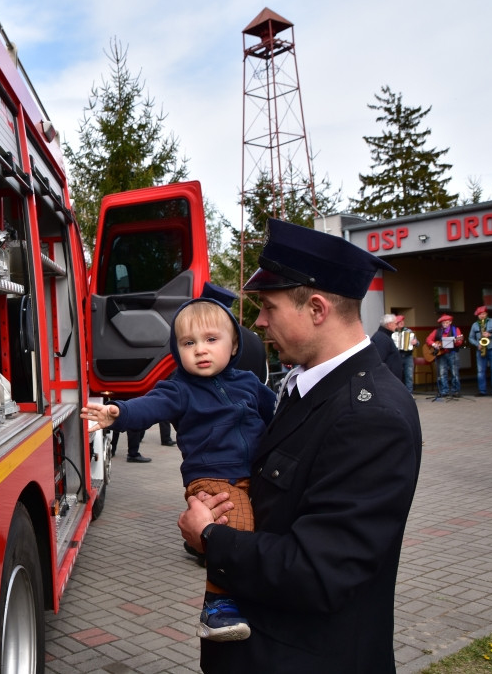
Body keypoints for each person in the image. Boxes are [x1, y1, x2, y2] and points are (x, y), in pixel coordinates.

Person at [177, 218, 422, 673]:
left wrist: (210, 537)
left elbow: (319, 572)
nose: (258, 321)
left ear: (316, 308)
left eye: (268, 306)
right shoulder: (308, 388)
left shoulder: (370, 416)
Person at [82, 294, 276, 641]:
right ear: (176, 350)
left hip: (253, 474)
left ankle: (249, 596)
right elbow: (150, 406)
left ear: (233, 346)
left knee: (262, 527)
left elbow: (275, 416)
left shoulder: (249, 383)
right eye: (189, 343)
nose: (200, 350)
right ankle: (216, 607)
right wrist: (119, 413)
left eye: (211, 340)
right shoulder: (180, 389)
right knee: (236, 527)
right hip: (212, 477)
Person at [426, 313, 465, 399]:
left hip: (452, 353)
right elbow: (428, 339)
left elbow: (459, 342)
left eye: (446, 322)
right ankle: (444, 391)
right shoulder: (437, 331)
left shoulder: (455, 330)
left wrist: (456, 341)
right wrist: (434, 344)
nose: (445, 324)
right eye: (443, 323)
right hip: (441, 354)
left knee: (455, 373)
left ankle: (455, 391)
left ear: (450, 322)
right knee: (442, 373)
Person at [468, 305, 492, 396]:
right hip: (480, 350)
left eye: (483, 314)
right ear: (478, 315)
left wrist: (490, 334)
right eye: (480, 314)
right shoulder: (475, 325)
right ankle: (482, 391)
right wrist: (477, 344)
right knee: (481, 371)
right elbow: (470, 338)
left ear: (486, 314)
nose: (482, 316)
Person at [370, 313, 403, 380]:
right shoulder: (382, 338)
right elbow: (380, 361)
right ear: (389, 324)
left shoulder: (384, 336)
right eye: (395, 324)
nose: (396, 327)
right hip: (387, 380)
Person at [392, 315, 419, 393]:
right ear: (396, 324)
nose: (402, 323)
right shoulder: (393, 332)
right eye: (400, 322)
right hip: (398, 356)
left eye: (402, 321)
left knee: (409, 375)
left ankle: (409, 393)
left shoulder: (409, 331)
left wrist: (415, 342)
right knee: (398, 375)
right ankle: (400, 393)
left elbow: (418, 343)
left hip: (408, 356)